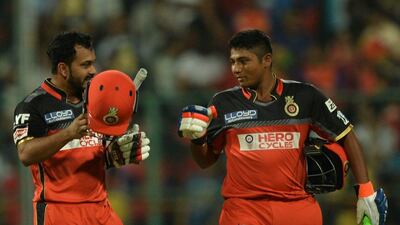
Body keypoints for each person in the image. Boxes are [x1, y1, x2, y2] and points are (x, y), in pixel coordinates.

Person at [178, 29, 388, 225]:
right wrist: (198, 139)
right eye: (233, 62)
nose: (236, 69)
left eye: (243, 61)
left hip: (298, 209)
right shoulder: (223, 102)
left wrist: (365, 191)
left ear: (266, 60)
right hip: (243, 210)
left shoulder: (305, 96)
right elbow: (205, 161)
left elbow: (346, 135)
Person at [12, 31, 150, 225]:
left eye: (92, 62)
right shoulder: (33, 105)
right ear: (63, 69)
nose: (93, 70)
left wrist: (115, 153)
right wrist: (69, 133)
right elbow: (26, 154)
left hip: (100, 209)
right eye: (85, 65)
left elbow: (97, 151)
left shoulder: (97, 99)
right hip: (59, 212)